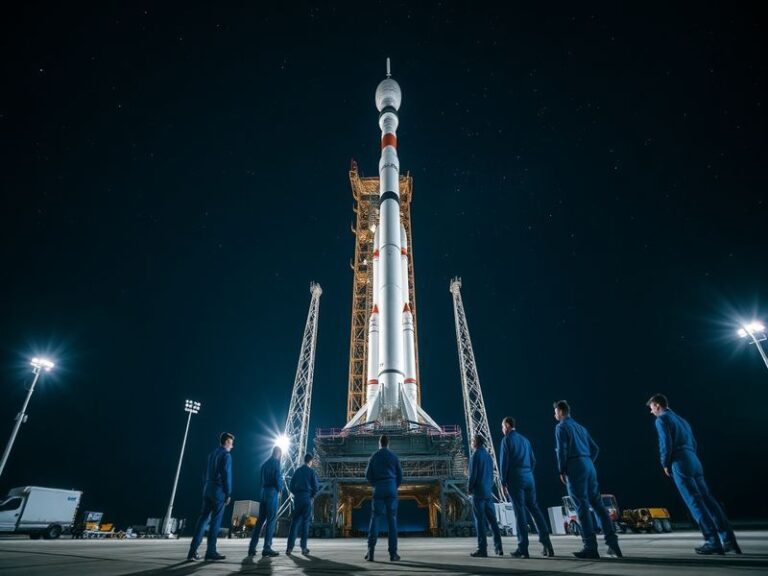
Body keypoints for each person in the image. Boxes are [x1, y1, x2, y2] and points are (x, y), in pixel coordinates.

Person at [647, 393, 741, 555]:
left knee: (694, 503)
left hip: (679, 461)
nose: (651, 412)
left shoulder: (661, 419)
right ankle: (729, 541)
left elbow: (665, 443)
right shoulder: (683, 421)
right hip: (694, 460)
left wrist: (665, 464)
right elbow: (694, 443)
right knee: (710, 502)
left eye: (651, 408)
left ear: (657, 405)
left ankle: (712, 542)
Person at [553, 400, 622, 559]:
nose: (554, 415)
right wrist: (588, 462)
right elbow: (595, 448)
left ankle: (590, 547)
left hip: (575, 466)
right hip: (589, 466)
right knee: (598, 505)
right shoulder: (580, 428)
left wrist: (562, 470)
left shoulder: (561, 427)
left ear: (561, 411)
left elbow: (562, 450)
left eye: (556, 411)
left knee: (581, 507)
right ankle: (613, 544)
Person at [499, 417, 554, 558]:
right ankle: (547, 544)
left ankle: (523, 548)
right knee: (535, 510)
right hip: (529, 478)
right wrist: (527, 473)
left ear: (507, 425)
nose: (502, 429)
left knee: (520, 512)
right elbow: (533, 460)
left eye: (502, 427)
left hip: (515, 479)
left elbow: (504, 463)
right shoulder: (525, 440)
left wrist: (503, 482)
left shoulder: (507, 440)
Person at [188, 432, 234, 562]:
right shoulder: (226, 455)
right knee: (215, 522)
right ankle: (211, 551)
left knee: (202, 520)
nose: (232, 446)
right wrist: (228, 493)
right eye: (231, 443)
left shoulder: (211, 455)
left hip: (207, 489)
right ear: (226, 443)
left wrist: (207, 486)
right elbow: (226, 474)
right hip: (219, 491)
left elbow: (204, 473)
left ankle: (192, 551)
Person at [365, 434, 403, 562]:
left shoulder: (374, 456)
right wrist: (394, 486)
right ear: (388, 443)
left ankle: (371, 553)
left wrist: (375, 484)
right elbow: (400, 475)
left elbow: (367, 475)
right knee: (392, 521)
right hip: (391, 489)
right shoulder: (394, 456)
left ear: (379, 443)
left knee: (375, 518)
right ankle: (393, 554)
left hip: (379, 489)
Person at [467, 434, 504, 558]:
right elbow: (492, 474)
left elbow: (473, 475)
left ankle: (482, 549)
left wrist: (469, 488)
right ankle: (499, 548)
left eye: (472, 441)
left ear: (476, 443)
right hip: (488, 492)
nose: (471, 443)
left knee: (480, 522)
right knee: (493, 521)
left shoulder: (475, 455)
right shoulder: (488, 456)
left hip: (478, 493)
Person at [248, 446, 283, 558]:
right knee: (271, 520)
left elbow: (261, 480)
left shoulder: (264, 464)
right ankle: (267, 547)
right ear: (278, 453)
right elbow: (277, 478)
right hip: (272, 492)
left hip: (263, 492)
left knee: (259, 522)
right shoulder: (275, 463)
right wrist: (279, 488)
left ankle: (252, 548)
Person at [286, 453, 320, 555]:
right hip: (307, 498)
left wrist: (296, 493)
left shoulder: (298, 471)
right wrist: (312, 496)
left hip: (298, 498)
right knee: (305, 523)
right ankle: (303, 548)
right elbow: (316, 486)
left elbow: (291, 485)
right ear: (310, 461)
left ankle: (289, 548)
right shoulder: (311, 472)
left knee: (295, 523)